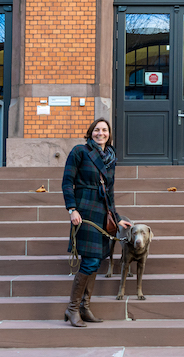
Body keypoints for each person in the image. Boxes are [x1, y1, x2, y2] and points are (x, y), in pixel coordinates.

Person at [62, 118, 131, 327]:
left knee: (96, 260)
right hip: (84, 210)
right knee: (90, 260)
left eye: (104, 130)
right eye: (97, 130)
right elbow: (67, 182)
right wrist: (72, 209)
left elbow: (109, 192)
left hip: (101, 212)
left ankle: (84, 307)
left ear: (109, 134)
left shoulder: (111, 158)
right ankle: (73, 308)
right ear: (91, 132)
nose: (100, 133)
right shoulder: (79, 151)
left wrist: (117, 219)